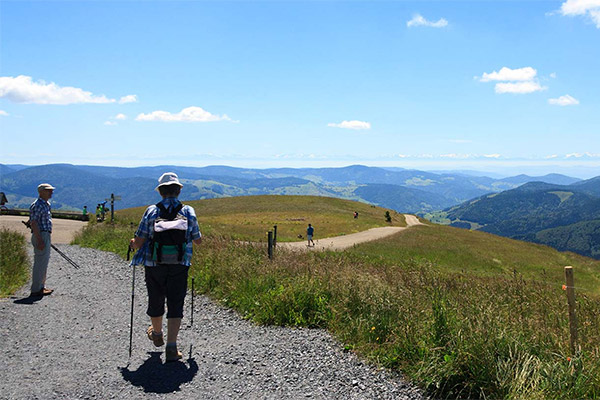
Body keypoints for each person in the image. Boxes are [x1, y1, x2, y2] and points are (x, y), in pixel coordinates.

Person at [129, 172, 202, 362]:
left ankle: (157, 333)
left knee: (156, 298)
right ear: (178, 190)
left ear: (161, 191)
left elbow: (139, 241)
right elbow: (198, 240)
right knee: (175, 302)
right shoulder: (188, 212)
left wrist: (132, 243)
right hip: (179, 264)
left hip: (155, 264)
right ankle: (172, 346)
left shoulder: (152, 211)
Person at [29, 183, 56, 297]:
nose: (51, 192)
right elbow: (34, 222)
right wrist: (39, 240)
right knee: (40, 262)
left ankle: (41, 286)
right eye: (48, 190)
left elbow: (34, 220)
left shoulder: (46, 204)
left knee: (43, 262)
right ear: (41, 192)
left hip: (45, 234)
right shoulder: (38, 205)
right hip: (41, 234)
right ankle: (36, 289)